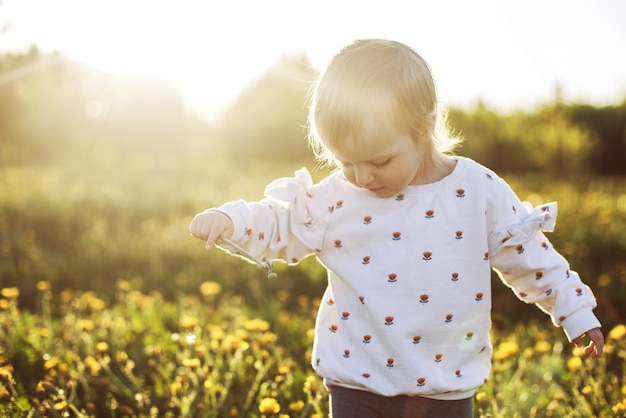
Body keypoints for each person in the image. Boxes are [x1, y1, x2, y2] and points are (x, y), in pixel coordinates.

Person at [189, 39, 604, 417]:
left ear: (423, 128)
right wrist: (233, 220)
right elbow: (281, 221)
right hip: (354, 380)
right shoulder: (338, 196)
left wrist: (575, 310)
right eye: (344, 162)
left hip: (445, 387)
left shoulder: (477, 191)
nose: (361, 176)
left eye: (378, 161)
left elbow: (530, 256)